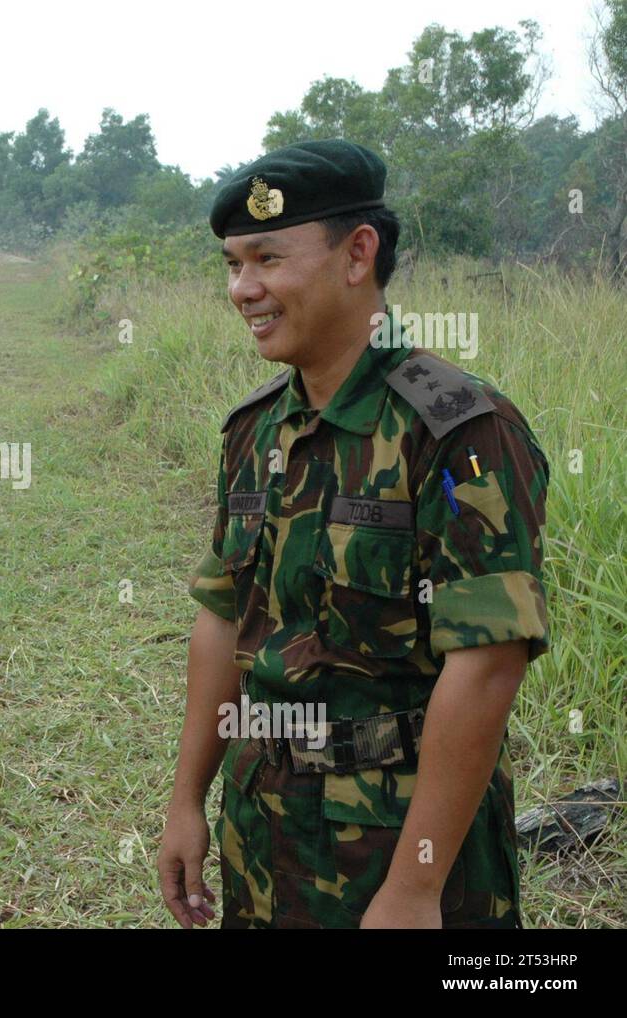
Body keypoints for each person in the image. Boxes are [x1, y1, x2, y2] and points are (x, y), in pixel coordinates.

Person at [157, 139, 550, 929]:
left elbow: (487, 665)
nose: (243, 288)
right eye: (232, 264)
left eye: (267, 258)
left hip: (400, 839)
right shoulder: (255, 428)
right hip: (263, 824)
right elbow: (223, 617)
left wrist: (415, 889)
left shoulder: (459, 432)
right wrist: (186, 802)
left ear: (358, 254)